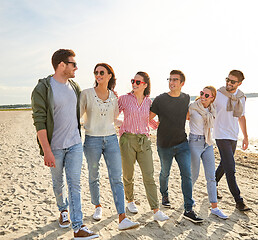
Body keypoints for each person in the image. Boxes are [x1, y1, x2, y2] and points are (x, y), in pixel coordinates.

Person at [31, 49, 99, 239]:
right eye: (73, 64)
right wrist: (47, 151)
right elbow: (39, 121)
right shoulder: (43, 89)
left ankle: (78, 227)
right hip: (55, 146)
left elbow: (85, 108)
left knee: (74, 184)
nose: (76, 67)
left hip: (75, 144)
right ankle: (63, 210)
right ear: (62, 65)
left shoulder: (74, 86)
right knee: (58, 183)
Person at [80, 63, 140, 230]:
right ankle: (97, 206)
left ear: (109, 76)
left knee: (116, 177)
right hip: (92, 140)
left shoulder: (114, 96)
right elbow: (78, 115)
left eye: (102, 72)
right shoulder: (86, 94)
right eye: (96, 72)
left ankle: (122, 217)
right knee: (94, 174)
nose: (98, 75)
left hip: (111, 139)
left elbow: (114, 118)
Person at [149, 70, 203, 223]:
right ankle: (164, 194)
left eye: (175, 80)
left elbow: (187, 114)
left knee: (186, 174)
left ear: (182, 83)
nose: (171, 82)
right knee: (165, 172)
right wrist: (154, 125)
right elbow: (148, 117)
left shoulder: (186, 97)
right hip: (164, 145)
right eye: (170, 79)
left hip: (182, 143)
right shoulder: (160, 99)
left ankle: (188, 208)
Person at [118, 72, 169, 222]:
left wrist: (168, 121)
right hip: (127, 140)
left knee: (149, 175)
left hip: (144, 141)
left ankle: (156, 209)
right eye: (133, 80)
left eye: (138, 82)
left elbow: (151, 122)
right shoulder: (124, 99)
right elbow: (112, 114)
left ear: (145, 85)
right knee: (128, 174)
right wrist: (119, 123)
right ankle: (130, 201)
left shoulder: (149, 102)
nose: (134, 83)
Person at [187, 86, 228, 219]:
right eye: (201, 93)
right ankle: (187, 203)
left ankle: (215, 208)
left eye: (206, 95)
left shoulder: (212, 110)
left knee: (211, 177)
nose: (203, 96)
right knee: (194, 175)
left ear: (212, 98)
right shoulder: (193, 106)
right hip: (194, 142)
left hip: (208, 142)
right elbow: (180, 118)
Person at [214, 70, 251, 211]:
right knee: (230, 168)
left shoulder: (241, 97)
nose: (228, 83)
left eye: (232, 81)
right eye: (227, 80)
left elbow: (241, 117)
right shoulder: (218, 94)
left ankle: (213, 184)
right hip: (220, 134)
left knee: (224, 164)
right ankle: (239, 200)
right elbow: (204, 104)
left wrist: (245, 137)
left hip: (233, 135)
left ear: (239, 83)